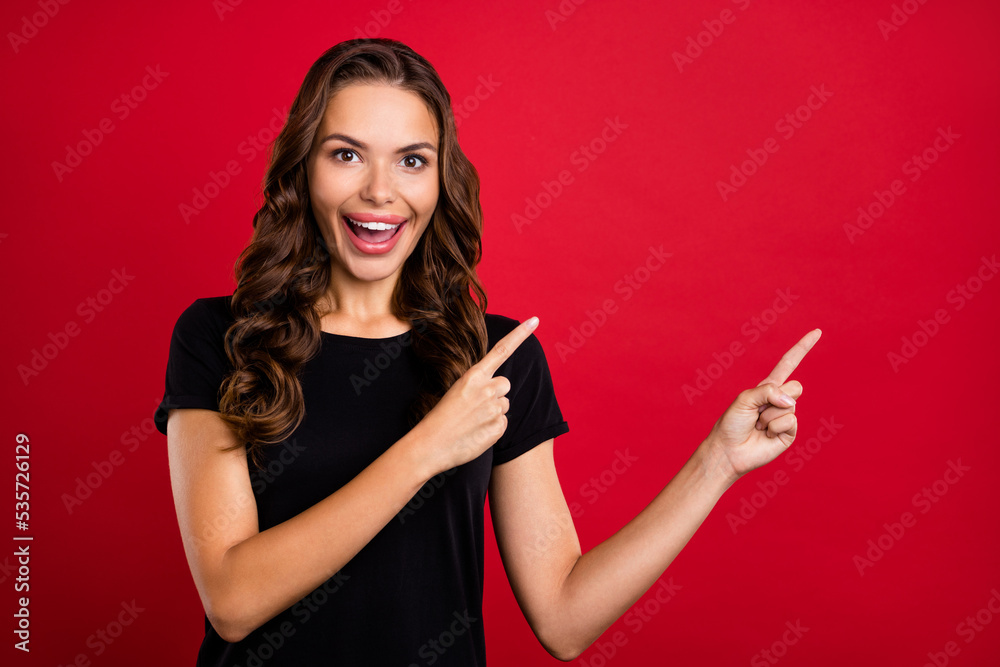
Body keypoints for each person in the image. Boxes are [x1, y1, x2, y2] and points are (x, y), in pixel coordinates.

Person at [154, 38, 821, 666]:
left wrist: (717, 463)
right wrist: (427, 448)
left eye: (411, 160)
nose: (380, 192)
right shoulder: (220, 338)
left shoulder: (495, 360)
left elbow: (563, 615)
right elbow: (233, 600)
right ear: (304, 167)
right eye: (347, 154)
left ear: (440, 180)